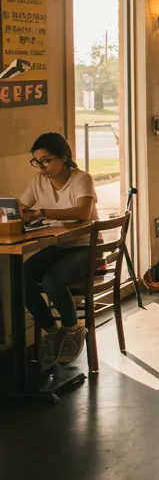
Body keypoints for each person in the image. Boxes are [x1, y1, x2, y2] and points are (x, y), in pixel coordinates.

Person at [18, 132, 99, 366]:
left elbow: (82, 212)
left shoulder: (82, 179)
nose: (41, 167)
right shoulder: (38, 181)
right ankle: (54, 332)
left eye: (46, 160)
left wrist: (43, 212)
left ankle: (73, 331)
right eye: (37, 161)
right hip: (58, 245)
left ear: (64, 158)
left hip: (86, 247)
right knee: (23, 276)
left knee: (53, 280)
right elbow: (22, 207)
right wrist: (18, 213)